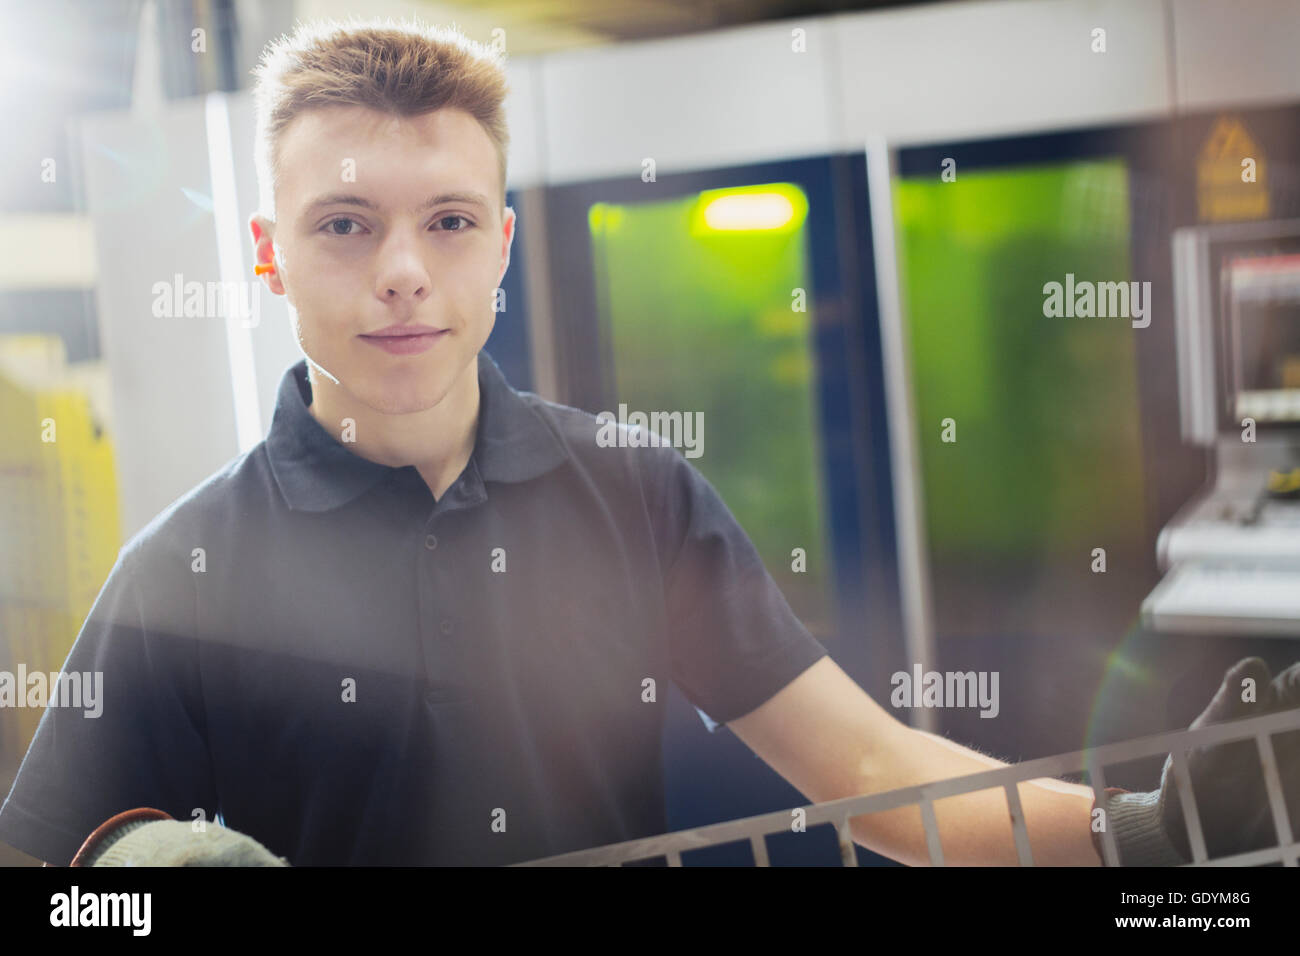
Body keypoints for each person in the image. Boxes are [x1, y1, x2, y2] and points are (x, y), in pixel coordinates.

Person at [1, 18, 1295, 867]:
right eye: (345, 226)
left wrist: (1147, 834)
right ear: (271, 257)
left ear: (501, 248)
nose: (402, 272)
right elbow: (46, 874)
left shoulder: (632, 495)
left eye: (449, 222)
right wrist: (134, 879)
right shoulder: (187, 571)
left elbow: (880, 774)